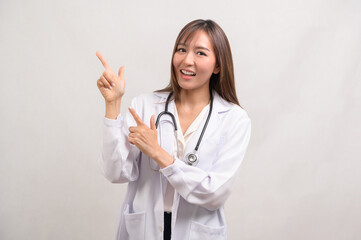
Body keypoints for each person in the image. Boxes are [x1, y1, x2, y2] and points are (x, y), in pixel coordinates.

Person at [96, 19, 251, 240]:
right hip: (146, 229)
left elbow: (214, 193)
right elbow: (116, 173)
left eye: (200, 53)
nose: (187, 60)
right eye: (181, 49)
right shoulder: (146, 105)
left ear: (218, 65)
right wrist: (112, 105)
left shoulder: (234, 119)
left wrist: (157, 152)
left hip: (196, 231)